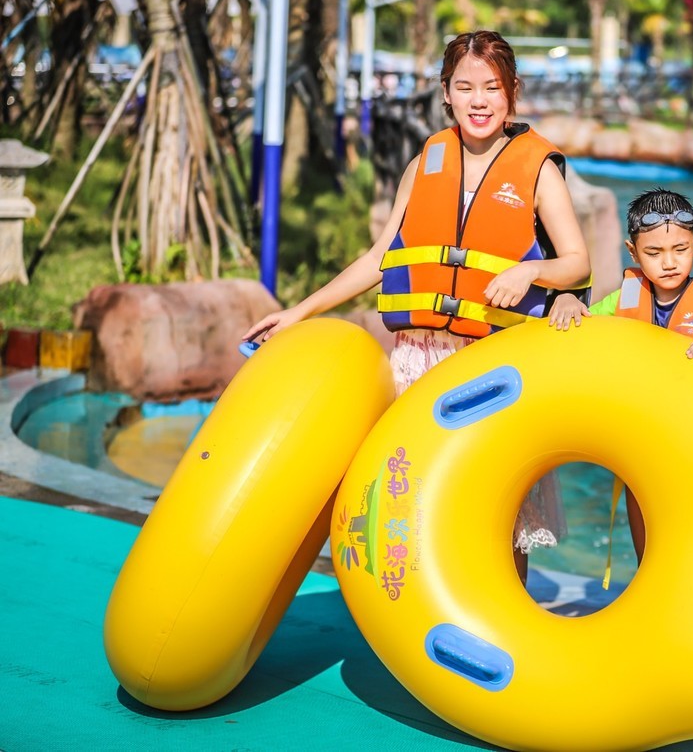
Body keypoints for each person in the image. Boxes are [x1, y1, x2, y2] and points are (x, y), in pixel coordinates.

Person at [242, 30, 592, 585]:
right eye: (465, 87)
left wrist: (530, 271)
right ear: (446, 93)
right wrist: (298, 312)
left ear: (513, 92)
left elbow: (575, 260)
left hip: (493, 360)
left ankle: (504, 614)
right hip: (418, 359)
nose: (479, 101)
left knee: (502, 506)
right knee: (421, 496)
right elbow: (381, 257)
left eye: (492, 88)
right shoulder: (427, 160)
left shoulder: (537, 168)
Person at [548, 188, 693, 559]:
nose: (669, 262)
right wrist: (567, 298)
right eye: (654, 253)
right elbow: (586, 322)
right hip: (642, 444)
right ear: (633, 251)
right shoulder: (626, 296)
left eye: (680, 250)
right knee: (649, 544)